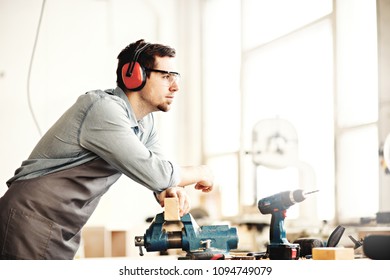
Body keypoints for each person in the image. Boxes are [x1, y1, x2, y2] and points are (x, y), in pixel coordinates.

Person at [0, 39, 214, 260]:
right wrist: (203, 172)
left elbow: (158, 171)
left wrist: (168, 189)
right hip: (30, 219)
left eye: (175, 77)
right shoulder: (103, 110)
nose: (175, 86)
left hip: (62, 227)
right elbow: (159, 174)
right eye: (166, 76)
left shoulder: (145, 123)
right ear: (134, 75)